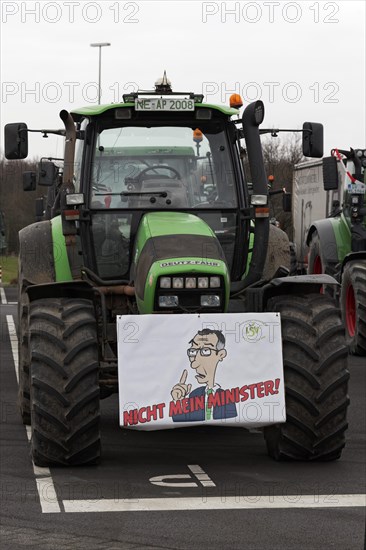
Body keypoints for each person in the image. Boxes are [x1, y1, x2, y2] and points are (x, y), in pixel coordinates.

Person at [171, 329, 237, 422]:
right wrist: (178, 402)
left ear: (221, 354)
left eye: (205, 350)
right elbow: (182, 421)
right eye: (193, 352)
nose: (193, 364)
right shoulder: (195, 394)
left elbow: (234, 420)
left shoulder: (227, 397)